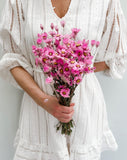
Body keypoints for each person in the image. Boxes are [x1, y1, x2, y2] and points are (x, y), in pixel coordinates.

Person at [0, 0, 127, 159]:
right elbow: (12, 59)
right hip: (38, 111)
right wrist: (44, 100)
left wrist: (75, 69)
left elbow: (117, 56)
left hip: (85, 108)